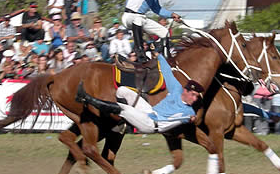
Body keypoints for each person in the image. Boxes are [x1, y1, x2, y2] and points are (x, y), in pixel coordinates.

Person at [75, 54, 204, 134]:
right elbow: (167, 72)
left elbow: (191, 118)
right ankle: (124, 123)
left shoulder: (188, 112)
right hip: (149, 111)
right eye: (193, 95)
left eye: (196, 96)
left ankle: (85, 98)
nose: (194, 99)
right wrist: (159, 56)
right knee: (123, 90)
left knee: (123, 108)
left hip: (150, 124)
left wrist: (192, 118)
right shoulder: (177, 89)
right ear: (185, 90)